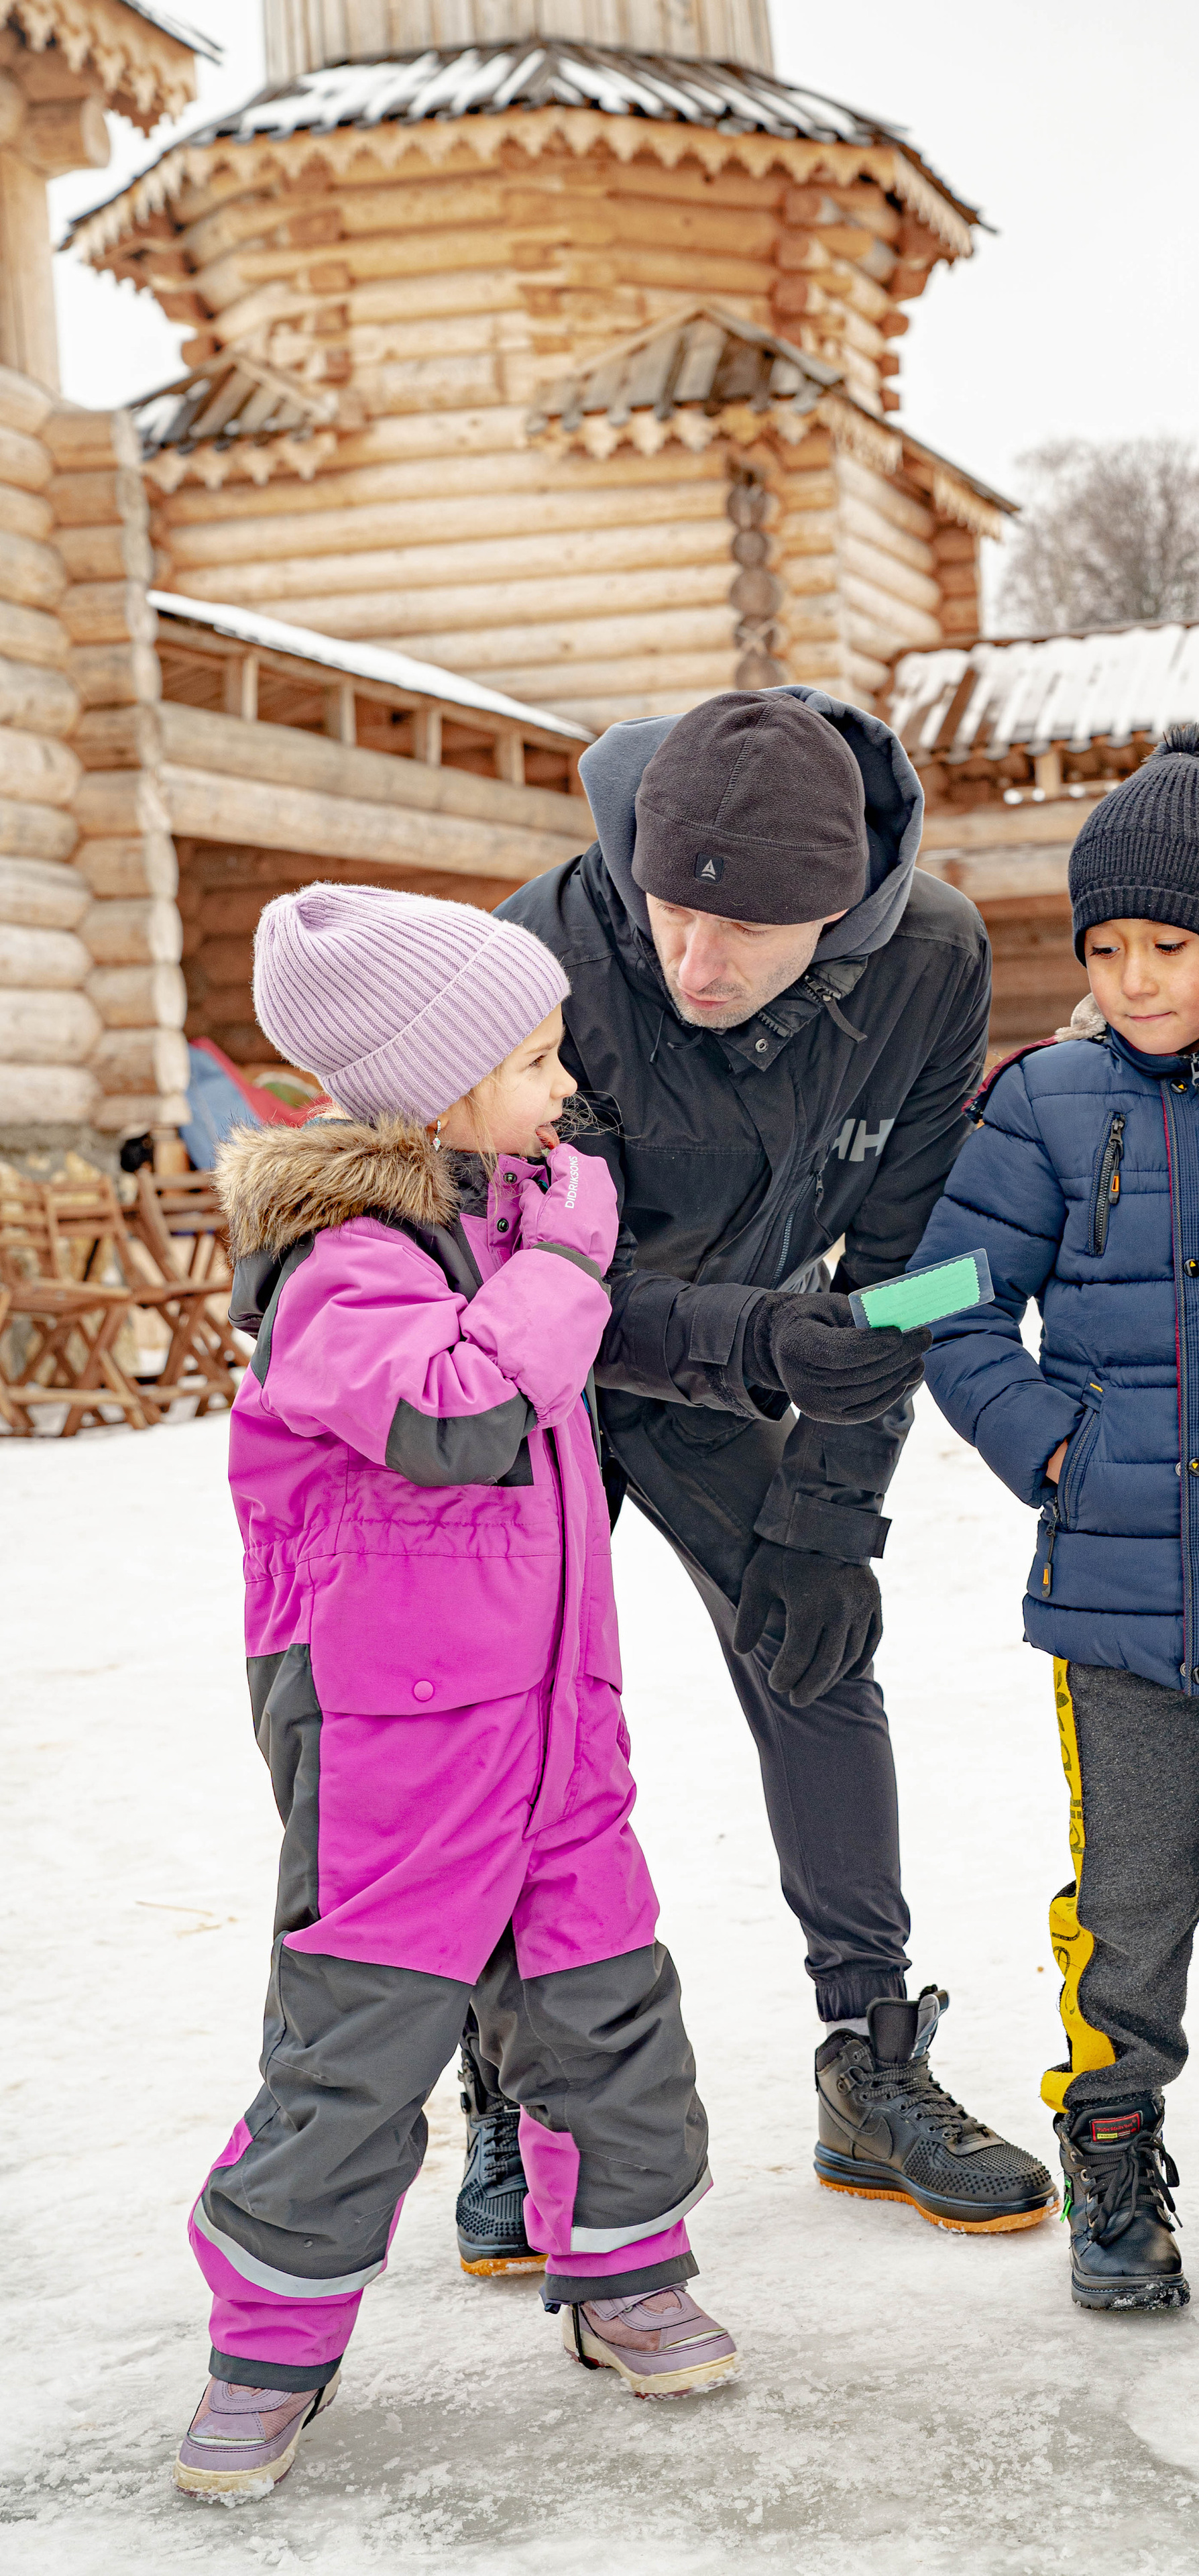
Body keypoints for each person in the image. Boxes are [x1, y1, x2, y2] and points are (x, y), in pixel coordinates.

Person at [174, 885, 736, 2503]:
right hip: (391, 1728)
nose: (565, 1089)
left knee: (603, 1997)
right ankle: (268, 2346)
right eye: (535, 1057)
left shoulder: (492, 1223)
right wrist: (559, 1255)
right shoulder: (334, 1265)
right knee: (361, 2035)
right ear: (433, 1083)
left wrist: (803, 1334)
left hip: (556, 1707)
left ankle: (626, 2274)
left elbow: (586, 1346)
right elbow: (455, 1417)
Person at [481, 687, 1053, 2254]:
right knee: (503, 1701)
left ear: (844, 911)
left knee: (819, 1651)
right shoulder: (546, 949)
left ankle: (870, 2054)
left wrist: (831, 1515)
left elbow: (914, 1271)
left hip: (755, 1361)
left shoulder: (930, 957)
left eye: (747, 932)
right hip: (536, 1364)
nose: (695, 965)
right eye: (669, 913)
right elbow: (510, 1262)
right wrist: (759, 1340)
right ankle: (499, 2086)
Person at [913, 724, 1199, 2316]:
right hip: (1109, 1606)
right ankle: (1111, 2156)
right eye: (1101, 947)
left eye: (1165, 946)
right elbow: (941, 1299)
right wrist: (1046, 1445)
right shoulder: (1042, 1102)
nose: (1128, 977)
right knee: (1124, 1907)